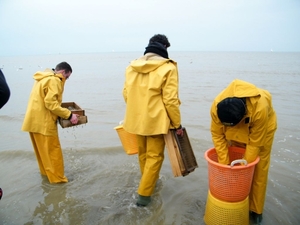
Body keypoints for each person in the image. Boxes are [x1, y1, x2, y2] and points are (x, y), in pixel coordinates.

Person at [122, 34, 183, 207]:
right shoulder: (168, 68)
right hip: (156, 122)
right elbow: (170, 100)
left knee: (143, 154)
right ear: (165, 47)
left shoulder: (132, 66)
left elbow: (126, 93)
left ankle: (147, 182)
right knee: (155, 157)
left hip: (135, 120)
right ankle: (144, 196)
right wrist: (177, 124)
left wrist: (137, 109)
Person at [210, 79, 277, 223]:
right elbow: (217, 134)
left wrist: (240, 169)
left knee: (258, 168)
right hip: (232, 130)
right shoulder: (216, 107)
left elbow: (255, 144)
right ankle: (235, 199)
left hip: (262, 131)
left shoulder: (260, 107)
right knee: (230, 160)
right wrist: (225, 164)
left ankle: (255, 210)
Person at [22, 62, 79, 184]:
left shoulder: (42, 78)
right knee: (53, 154)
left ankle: (47, 177)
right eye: (67, 77)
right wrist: (69, 115)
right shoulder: (54, 80)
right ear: (63, 72)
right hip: (44, 124)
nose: (66, 80)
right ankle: (59, 182)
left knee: (43, 155)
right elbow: (50, 103)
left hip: (33, 122)